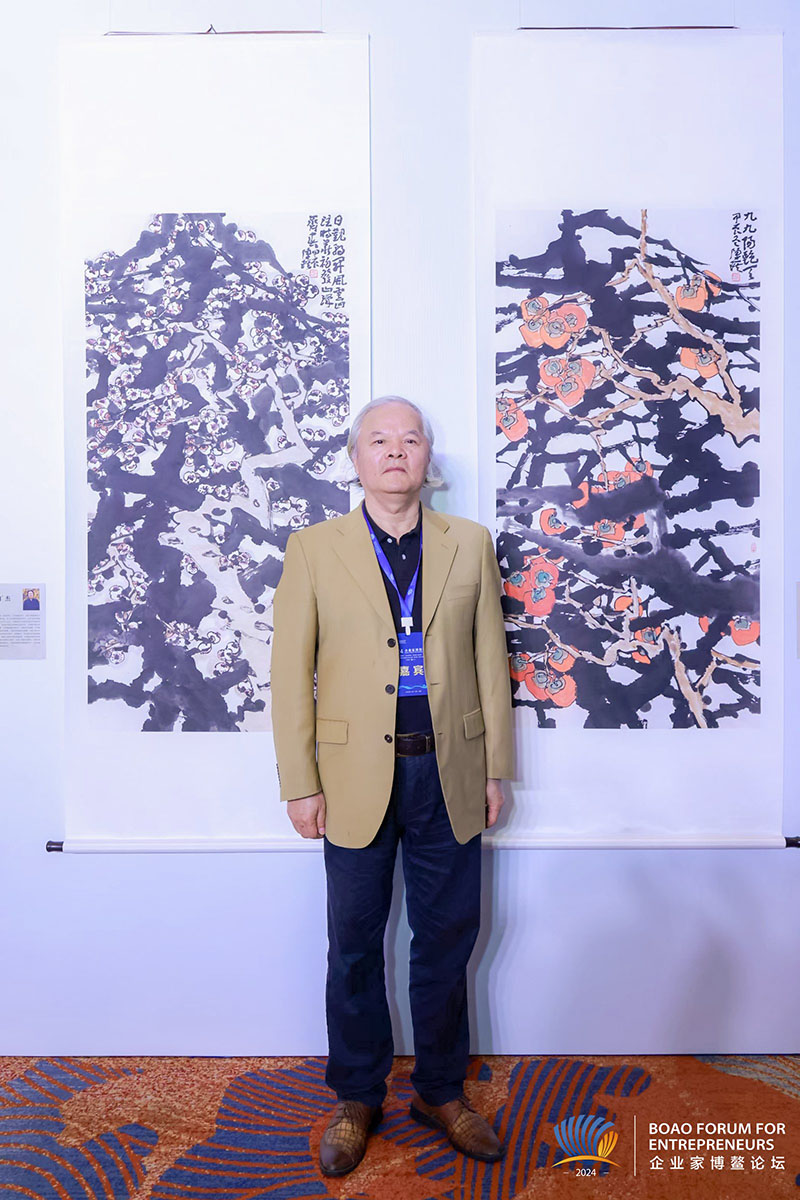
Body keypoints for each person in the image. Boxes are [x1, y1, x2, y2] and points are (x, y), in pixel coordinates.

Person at [270, 395, 514, 1177]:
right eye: (379, 439)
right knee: (353, 944)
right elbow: (289, 677)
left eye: (410, 438)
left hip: (449, 772)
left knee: (447, 940)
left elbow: (491, 663)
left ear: (427, 457)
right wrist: (300, 782)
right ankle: (356, 1096)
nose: (396, 450)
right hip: (351, 778)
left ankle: (441, 1092)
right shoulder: (314, 549)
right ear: (357, 459)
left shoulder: (469, 544)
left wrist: (494, 768)